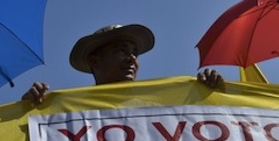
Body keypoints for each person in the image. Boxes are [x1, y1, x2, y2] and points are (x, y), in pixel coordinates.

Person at [22, 24, 222, 104]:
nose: (132, 58)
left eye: (135, 53)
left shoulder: (156, 108)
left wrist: (208, 95)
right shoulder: (69, 111)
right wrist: (28, 113)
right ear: (94, 60)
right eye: (121, 51)